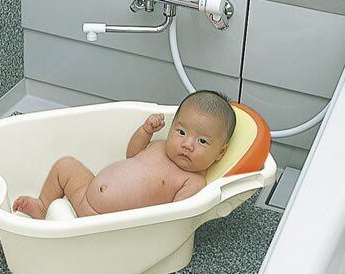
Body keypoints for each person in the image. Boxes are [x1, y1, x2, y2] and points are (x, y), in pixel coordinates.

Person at [12, 90, 236, 220]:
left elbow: (173, 218)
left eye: (202, 141)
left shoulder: (193, 182)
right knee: (66, 165)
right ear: (172, 128)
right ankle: (43, 206)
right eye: (181, 132)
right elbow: (132, 154)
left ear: (220, 152)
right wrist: (145, 131)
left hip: (105, 222)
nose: (187, 144)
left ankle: (61, 227)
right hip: (84, 193)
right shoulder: (160, 146)